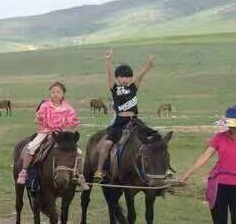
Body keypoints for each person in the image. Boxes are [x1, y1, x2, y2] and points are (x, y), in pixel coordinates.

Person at [178, 106, 236, 224]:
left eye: (235, 124)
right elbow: (205, 157)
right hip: (220, 185)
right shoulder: (219, 138)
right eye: (230, 124)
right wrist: (188, 173)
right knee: (219, 222)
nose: (232, 127)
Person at [94, 50, 155, 181]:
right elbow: (109, 76)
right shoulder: (114, 88)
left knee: (153, 137)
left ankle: (158, 168)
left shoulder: (133, 87)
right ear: (117, 78)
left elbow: (141, 75)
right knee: (106, 144)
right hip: (119, 121)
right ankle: (99, 170)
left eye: (128, 77)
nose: (125, 79)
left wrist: (148, 64)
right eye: (122, 77)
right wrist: (108, 61)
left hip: (134, 120)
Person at [17, 82, 80, 185]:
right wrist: (42, 121)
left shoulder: (68, 108)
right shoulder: (45, 106)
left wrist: (67, 128)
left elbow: (72, 122)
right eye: (53, 92)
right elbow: (38, 119)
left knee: (78, 152)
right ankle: (24, 171)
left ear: (63, 94)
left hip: (62, 134)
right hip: (46, 132)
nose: (55, 94)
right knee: (32, 147)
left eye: (58, 92)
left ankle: (78, 175)